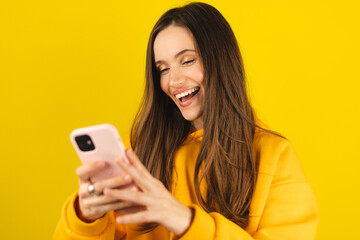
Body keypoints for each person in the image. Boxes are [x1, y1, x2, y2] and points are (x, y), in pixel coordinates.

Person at [53, 2, 319, 240]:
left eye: (187, 60)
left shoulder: (275, 157)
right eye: (163, 69)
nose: (173, 81)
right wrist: (85, 219)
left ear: (220, 60)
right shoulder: (137, 148)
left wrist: (183, 219)